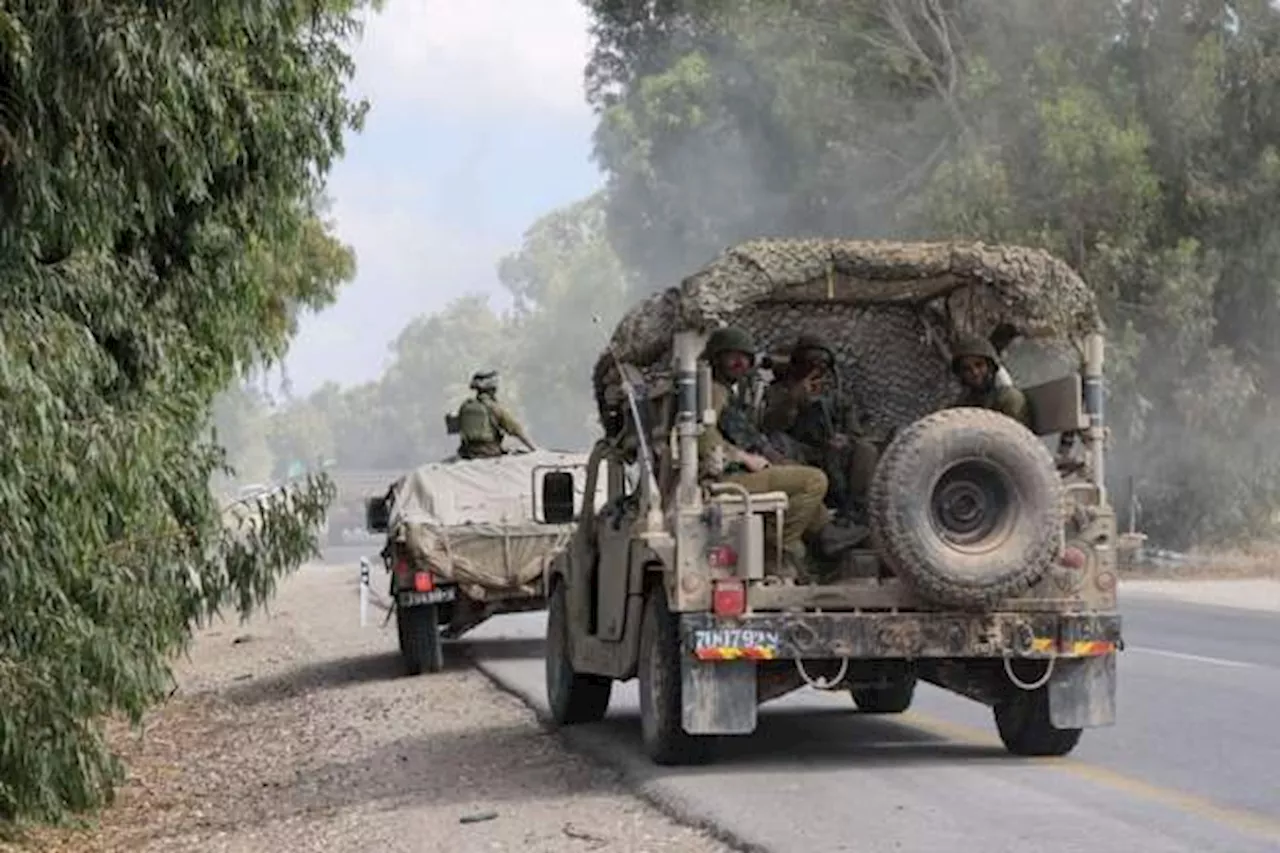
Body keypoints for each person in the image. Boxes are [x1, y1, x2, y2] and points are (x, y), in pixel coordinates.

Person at [697, 326, 862, 580]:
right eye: (732, 356)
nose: (740, 363)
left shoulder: (728, 391)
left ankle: (824, 533)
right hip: (726, 478)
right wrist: (743, 457)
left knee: (798, 473)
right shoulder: (712, 390)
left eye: (745, 357)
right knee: (813, 480)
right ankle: (780, 547)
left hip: (741, 470)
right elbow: (705, 437)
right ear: (716, 357)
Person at [760, 333, 879, 526]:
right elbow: (771, 427)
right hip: (799, 454)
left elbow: (855, 432)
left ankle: (856, 510)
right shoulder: (779, 391)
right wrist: (795, 398)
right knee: (777, 441)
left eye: (822, 368)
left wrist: (845, 439)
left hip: (833, 454)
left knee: (866, 450)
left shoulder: (836, 398)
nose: (817, 373)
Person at [949, 332, 1031, 427]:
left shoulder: (1008, 398)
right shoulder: (962, 406)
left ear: (990, 366)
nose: (975, 372)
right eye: (967, 369)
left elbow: (1016, 436)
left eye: (979, 365)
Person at [455, 370, 536, 459]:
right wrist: (534, 449)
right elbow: (516, 430)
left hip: (466, 451)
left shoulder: (465, 405)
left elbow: (458, 428)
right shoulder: (494, 407)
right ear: (492, 389)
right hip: (488, 452)